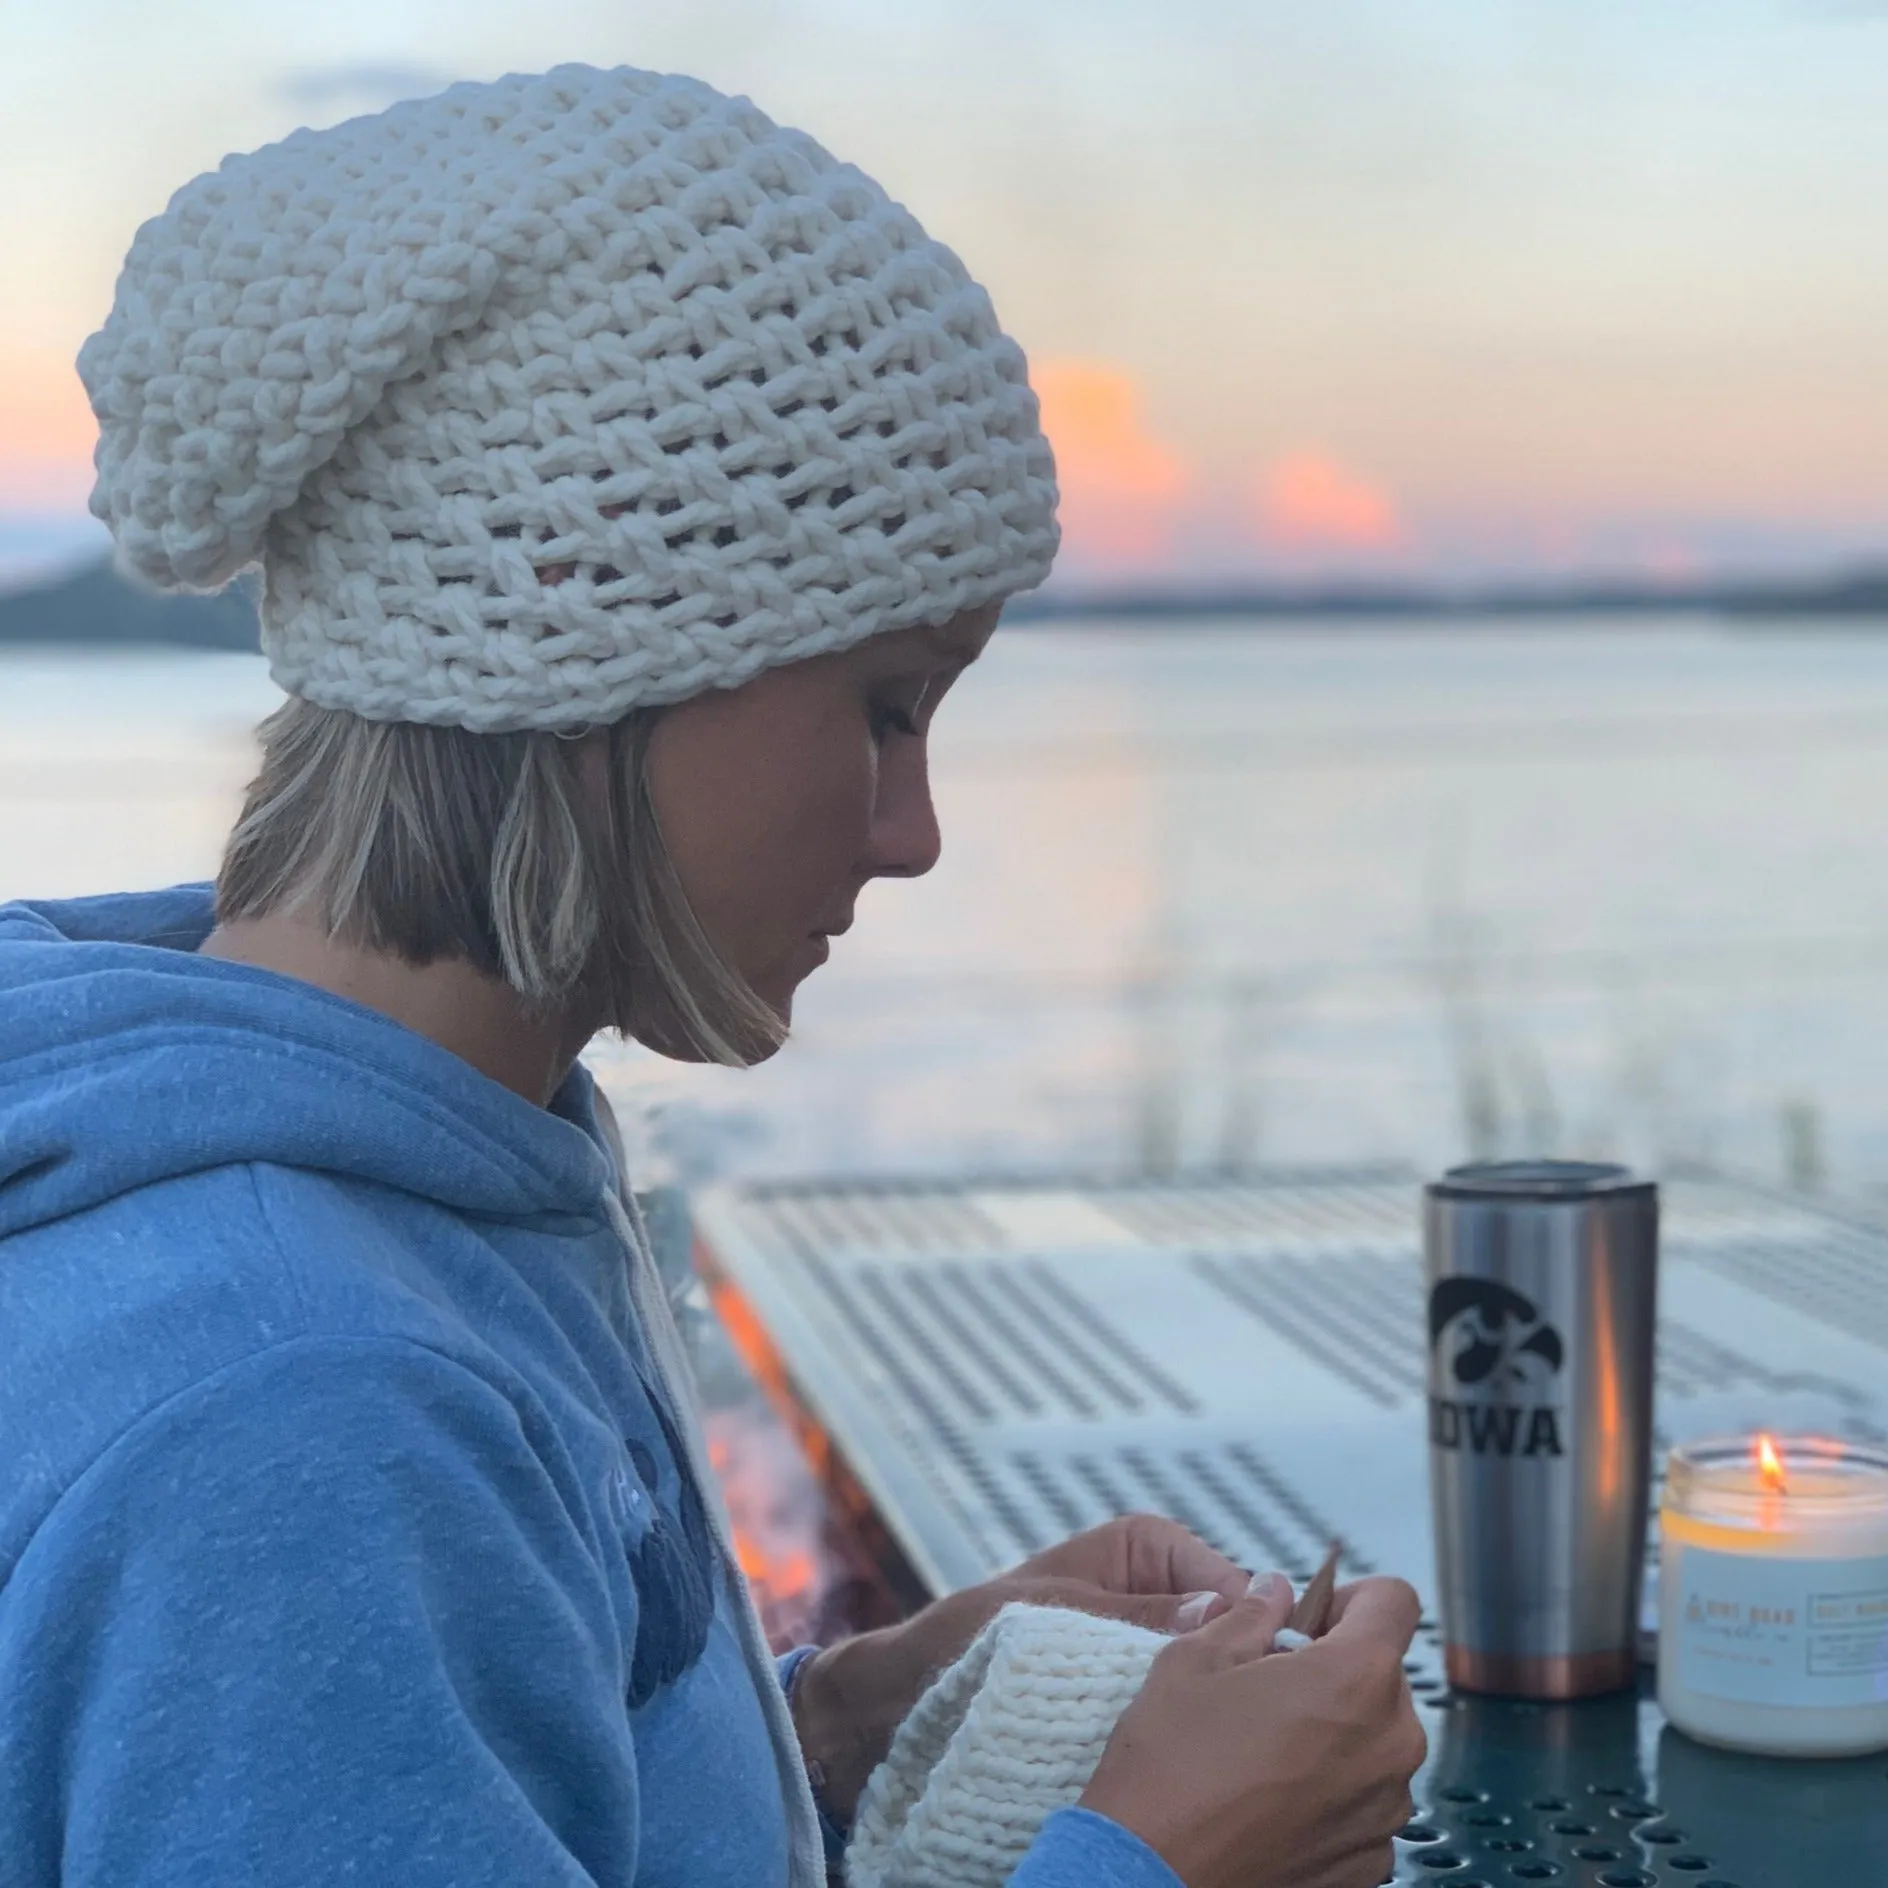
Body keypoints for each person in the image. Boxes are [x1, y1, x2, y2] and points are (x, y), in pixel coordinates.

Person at [0, 64, 1424, 1888]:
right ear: (579, 605)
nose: (913, 832)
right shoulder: (303, 1412)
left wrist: (832, 1722)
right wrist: (1154, 1857)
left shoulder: (451, 1153)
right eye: (886, 706)